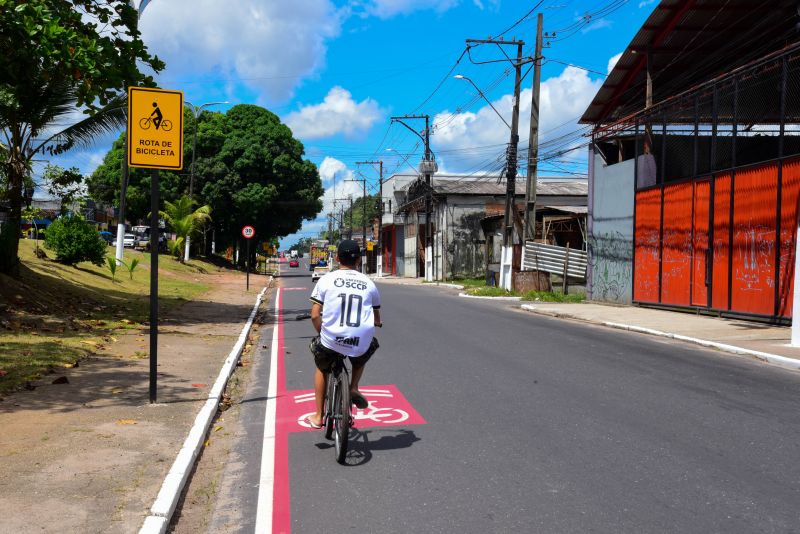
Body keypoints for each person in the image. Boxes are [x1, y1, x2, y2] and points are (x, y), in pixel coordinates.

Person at [305, 240, 381, 429]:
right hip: (358, 340)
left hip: (332, 338)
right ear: (359, 260)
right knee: (364, 352)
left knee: (322, 367)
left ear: (337, 257)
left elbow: (315, 314)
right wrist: (377, 323)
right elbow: (376, 317)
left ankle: (318, 416)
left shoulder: (326, 280)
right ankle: (354, 386)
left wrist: (322, 332)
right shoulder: (369, 283)